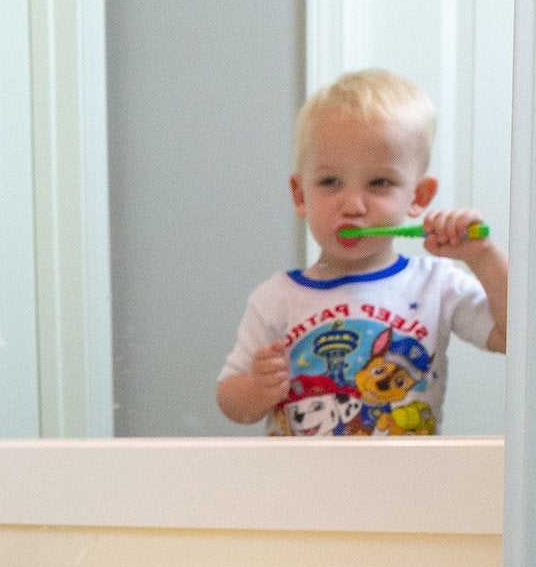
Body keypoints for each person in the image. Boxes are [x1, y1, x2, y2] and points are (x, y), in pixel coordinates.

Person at [217, 69, 508, 435]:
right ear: (300, 194)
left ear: (418, 197)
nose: (353, 205)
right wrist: (257, 390)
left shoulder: (437, 284)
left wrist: (482, 256)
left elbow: (516, 336)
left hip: (405, 486)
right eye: (330, 182)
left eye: (379, 183)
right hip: (298, 487)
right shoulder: (277, 298)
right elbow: (231, 403)